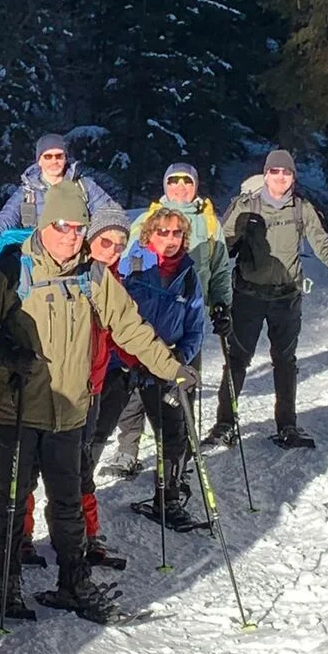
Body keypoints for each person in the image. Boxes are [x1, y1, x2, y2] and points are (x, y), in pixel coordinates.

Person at [0, 180, 199, 624]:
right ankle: (4, 585)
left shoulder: (93, 274)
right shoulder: (12, 271)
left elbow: (131, 328)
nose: (71, 235)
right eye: (63, 225)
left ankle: (74, 584)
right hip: (17, 409)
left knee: (67, 502)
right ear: (45, 223)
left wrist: (171, 367)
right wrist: (5, 356)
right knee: (12, 500)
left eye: (79, 227)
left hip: (69, 412)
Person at [209, 149, 328, 449]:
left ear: (293, 177)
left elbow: (323, 246)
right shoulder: (247, 206)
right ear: (266, 174)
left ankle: (287, 426)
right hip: (248, 295)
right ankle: (224, 424)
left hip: (287, 297)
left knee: (285, 362)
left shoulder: (301, 209)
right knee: (236, 361)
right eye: (275, 172)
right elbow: (220, 248)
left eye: (286, 173)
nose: (280, 177)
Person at [18, 207, 133, 569]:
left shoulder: (115, 282)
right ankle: (23, 536)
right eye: (104, 241)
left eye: (119, 245)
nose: (111, 250)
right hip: (52, 390)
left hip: (93, 388)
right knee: (33, 468)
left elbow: (128, 335)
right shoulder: (76, 275)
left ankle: (84, 534)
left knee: (80, 467)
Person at [107, 162, 231, 474]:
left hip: (186, 313)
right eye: (173, 182)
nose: (179, 187)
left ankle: (178, 460)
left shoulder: (209, 222)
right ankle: (127, 450)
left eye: (186, 182)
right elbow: (125, 263)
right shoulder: (147, 220)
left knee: (179, 393)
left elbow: (220, 267)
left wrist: (221, 303)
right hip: (141, 332)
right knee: (134, 396)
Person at [107, 209, 206, 530]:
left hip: (166, 366)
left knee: (173, 435)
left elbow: (195, 329)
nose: (171, 239)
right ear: (149, 234)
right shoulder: (129, 264)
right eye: (163, 232)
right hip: (122, 362)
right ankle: (79, 507)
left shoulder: (189, 275)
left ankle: (169, 499)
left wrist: (181, 357)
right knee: (95, 435)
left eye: (177, 233)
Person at [0, 133, 121, 265]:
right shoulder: (27, 192)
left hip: (77, 257)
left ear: (66, 158)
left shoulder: (84, 186)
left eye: (59, 156)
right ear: (39, 160)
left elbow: (110, 215)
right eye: (48, 156)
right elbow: (5, 220)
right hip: (36, 261)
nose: (54, 161)